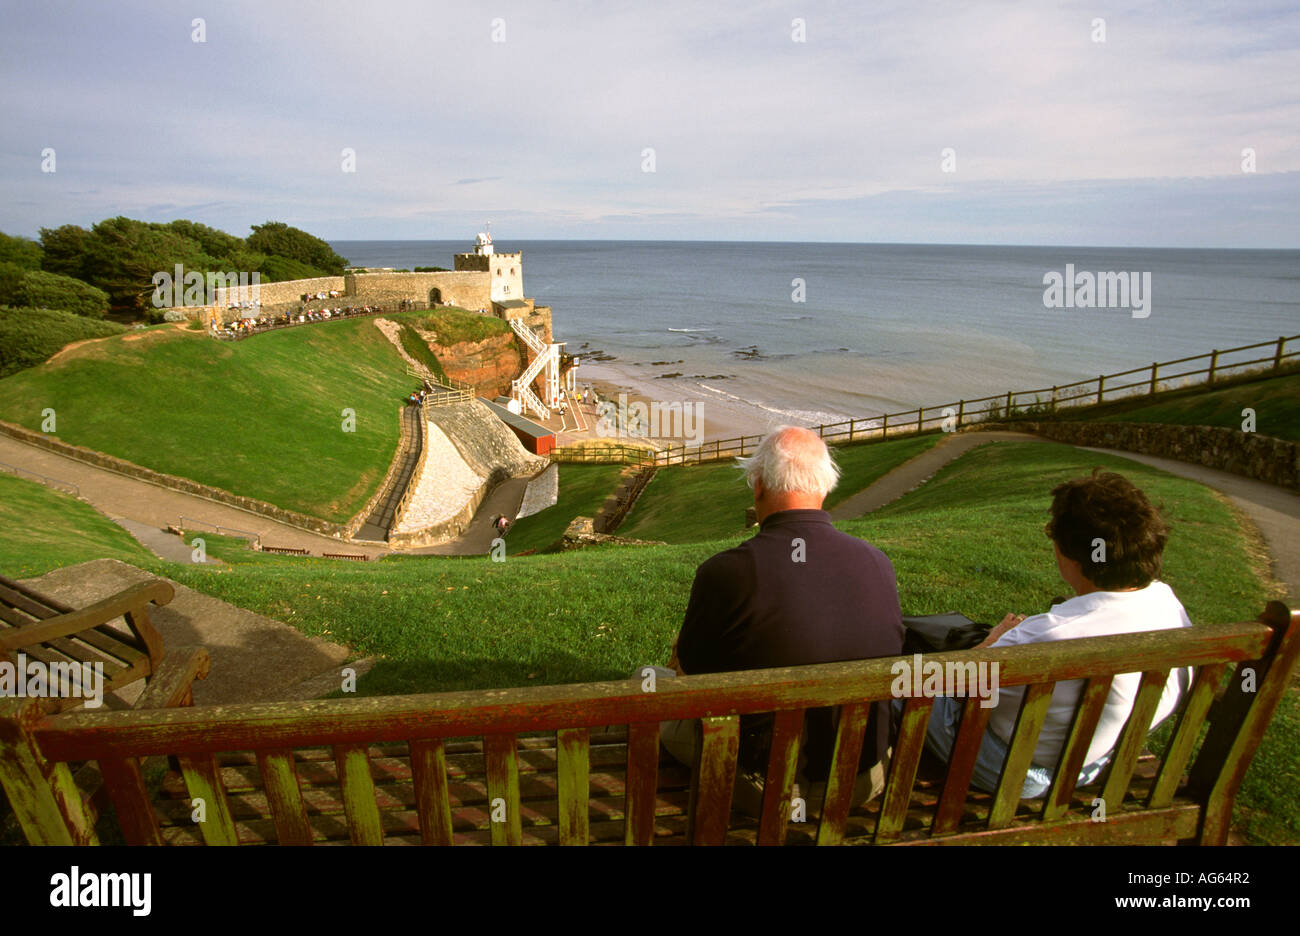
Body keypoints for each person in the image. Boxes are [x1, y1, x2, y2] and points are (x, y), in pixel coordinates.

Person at [653, 425, 904, 815]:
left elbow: (692, 676)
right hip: (861, 779)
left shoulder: (726, 573)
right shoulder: (878, 564)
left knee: (646, 680)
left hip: (769, 788)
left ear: (757, 486)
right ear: (825, 485)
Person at [913, 469, 1192, 798]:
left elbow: (962, 691)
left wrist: (989, 646)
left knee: (907, 683)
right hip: (1095, 762)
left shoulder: (1045, 636)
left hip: (1015, 771)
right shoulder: (1168, 607)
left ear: (1069, 554)